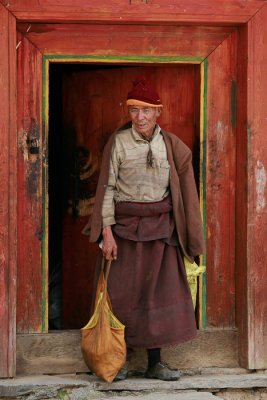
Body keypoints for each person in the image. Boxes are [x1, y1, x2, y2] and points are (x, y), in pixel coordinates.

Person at [88, 77, 204, 381]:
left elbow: (183, 192)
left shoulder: (171, 146)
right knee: (122, 295)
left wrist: (188, 236)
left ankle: (156, 363)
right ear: (129, 112)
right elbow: (107, 188)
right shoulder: (118, 142)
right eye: (135, 110)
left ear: (159, 112)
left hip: (162, 229)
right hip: (124, 230)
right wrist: (107, 233)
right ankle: (120, 360)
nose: (140, 117)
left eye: (147, 110)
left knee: (159, 296)